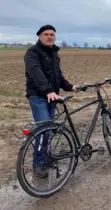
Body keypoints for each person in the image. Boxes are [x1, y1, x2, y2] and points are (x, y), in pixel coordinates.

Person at [24, 24, 76, 178]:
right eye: (46, 34)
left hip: (52, 98)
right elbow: (35, 72)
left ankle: (45, 157)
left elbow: (57, 75)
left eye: (52, 34)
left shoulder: (54, 54)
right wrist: (48, 91)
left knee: (50, 130)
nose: (49, 36)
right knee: (44, 130)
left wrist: (69, 86)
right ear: (40, 36)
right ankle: (38, 164)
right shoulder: (32, 52)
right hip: (38, 97)